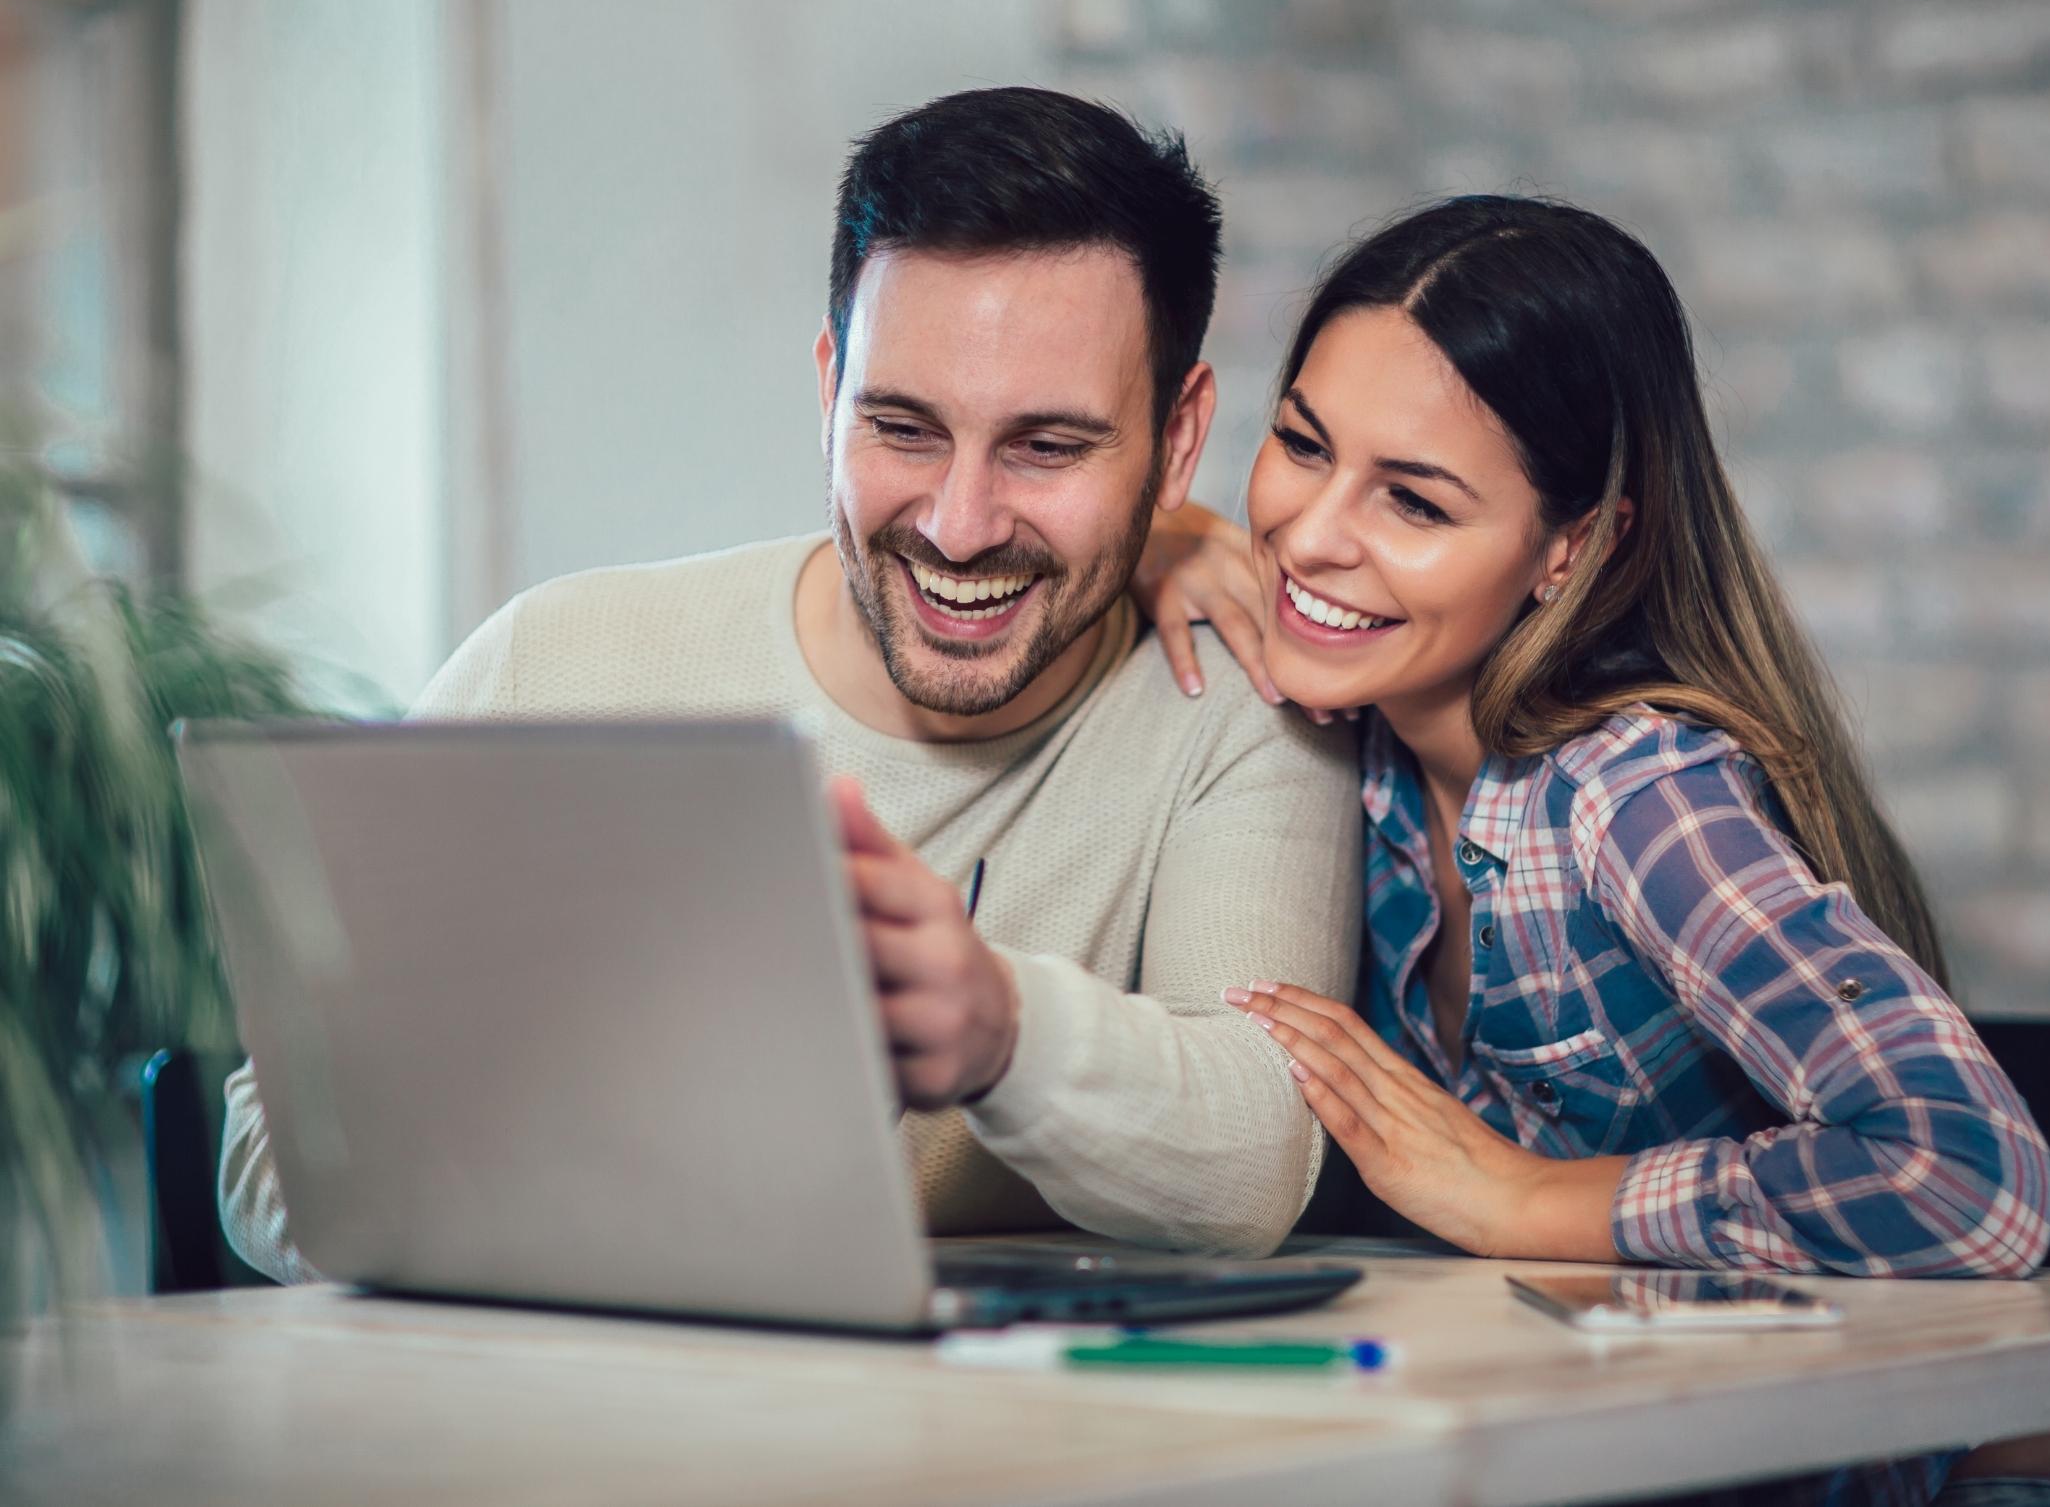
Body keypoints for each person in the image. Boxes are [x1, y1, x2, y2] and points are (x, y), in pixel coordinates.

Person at [216, 87, 1362, 1283]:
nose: (960, 526)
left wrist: (999, 1032)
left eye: (1047, 447)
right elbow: (269, 1153)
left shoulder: (1240, 701)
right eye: (903, 428)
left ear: (1177, 441)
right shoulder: (555, 664)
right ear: (829, 390)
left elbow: (1254, 1156)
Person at [1133, 196, 2050, 1506]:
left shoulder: (1633, 790)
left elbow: (1973, 1175)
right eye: (1301, 443)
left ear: (1573, 546)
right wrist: (1167, 532)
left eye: (1414, 500)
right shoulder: (1350, 734)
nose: (1310, 533)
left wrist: (1530, 1198)